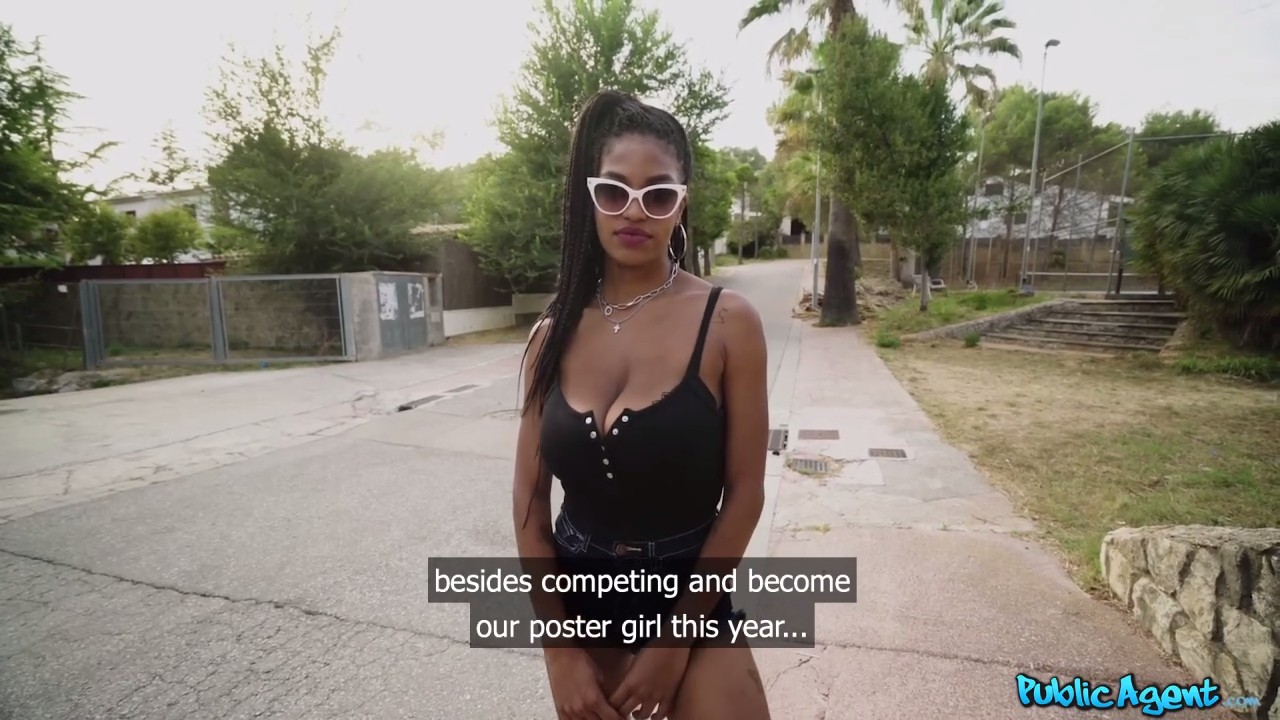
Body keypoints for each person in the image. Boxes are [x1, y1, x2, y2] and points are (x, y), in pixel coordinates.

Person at [512, 89, 772, 720]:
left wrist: (676, 639)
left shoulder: (728, 322)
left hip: (690, 592)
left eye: (657, 194)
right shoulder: (552, 333)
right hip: (579, 602)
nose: (634, 210)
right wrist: (558, 649)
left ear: (682, 204)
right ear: (591, 199)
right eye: (613, 191)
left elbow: (745, 494)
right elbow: (529, 501)